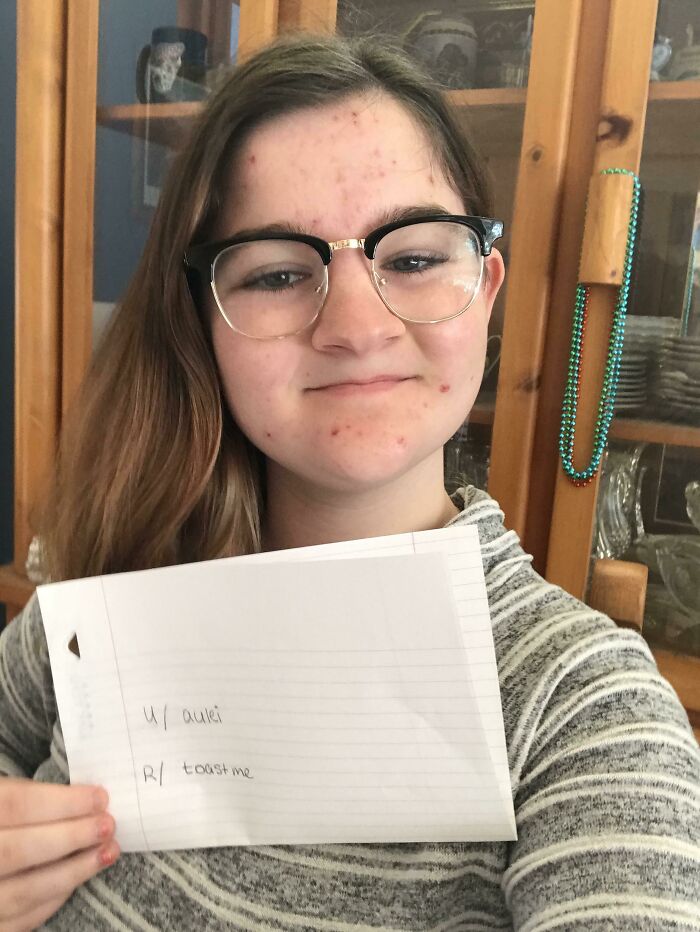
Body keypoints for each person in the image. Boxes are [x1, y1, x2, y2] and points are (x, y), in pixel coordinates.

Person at [0, 31, 698, 932]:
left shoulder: (585, 712)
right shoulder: (116, 591)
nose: (355, 324)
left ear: (484, 289)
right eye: (281, 273)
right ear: (202, 320)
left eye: (411, 259)